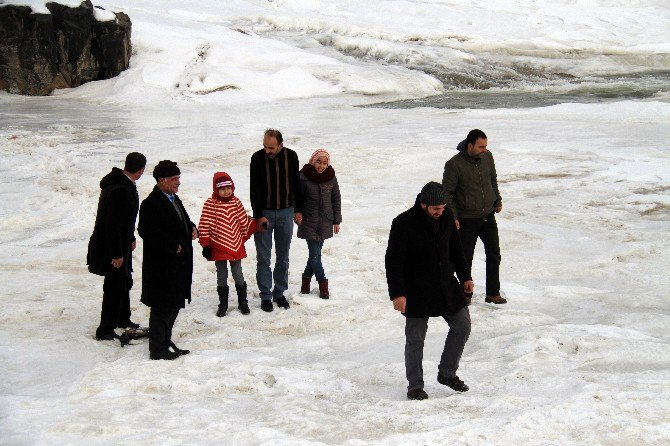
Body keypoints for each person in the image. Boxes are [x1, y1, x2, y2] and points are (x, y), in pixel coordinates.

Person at [385, 182, 474, 400]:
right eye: (436, 208)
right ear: (423, 204)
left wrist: (465, 277)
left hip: (445, 285)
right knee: (415, 339)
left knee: (462, 326)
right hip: (416, 290)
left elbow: (455, 249)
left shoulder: (447, 216)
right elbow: (393, 261)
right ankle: (415, 385)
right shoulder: (403, 222)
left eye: (443, 208)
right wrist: (398, 293)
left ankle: (447, 373)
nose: (440, 212)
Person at [138, 160, 198, 360]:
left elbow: (181, 219)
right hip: (162, 267)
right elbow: (146, 231)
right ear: (161, 181)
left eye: (178, 178)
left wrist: (191, 227)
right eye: (174, 179)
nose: (178, 182)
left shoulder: (173, 198)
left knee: (173, 305)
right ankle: (157, 349)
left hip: (178, 265)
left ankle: (165, 341)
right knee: (162, 307)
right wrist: (172, 244)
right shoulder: (151, 203)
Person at [442, 129, 506, 304]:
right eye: (481, 146)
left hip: (487, 215)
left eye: (486, 146)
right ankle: (465, 294)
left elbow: (493, 179)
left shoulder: (488, 157)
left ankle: (493, 293)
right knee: (465, 258)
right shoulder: (454, 165)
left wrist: (497, 200)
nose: (484, 149)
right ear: (470, 145)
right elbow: (447, 193)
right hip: (466, 219)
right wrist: (453, 216)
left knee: (494, 253)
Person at [87, 152, 146, 341]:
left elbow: (123, 221)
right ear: (141, 170)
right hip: (111, 248)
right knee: (114, 286)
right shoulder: (121, 189)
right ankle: (105, 329)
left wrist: (130, 237)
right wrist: (117, 255)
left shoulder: (120, 183)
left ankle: (123, 318)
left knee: (124, 281)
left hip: (120, 244)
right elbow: (112, 226)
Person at [250, 129, 302, 312]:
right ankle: (265, 295)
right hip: (264, 212)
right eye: (265, 146)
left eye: (271, 147)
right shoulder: (257, 158)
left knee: (283, 257)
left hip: (286, 212)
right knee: (263, 258)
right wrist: (258, 215)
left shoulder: (291, 156)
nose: (267, 150)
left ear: (281, 145)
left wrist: (298, 210)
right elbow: (254, 188)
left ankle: (279, 293)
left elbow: (296, 184)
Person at [198, 172, 259, 316]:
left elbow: (243, 220)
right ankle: (223, 305)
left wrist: (254, 224)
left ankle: (243, 302)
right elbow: (204, 224)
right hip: (217, 246)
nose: (226, 191)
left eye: (229, 188)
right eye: (222, 189)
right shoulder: (210, 204)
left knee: (238, 274)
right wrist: (206, 245)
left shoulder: (236, 202)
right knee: (221, 275)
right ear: (216, 189)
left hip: (236, 243)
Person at [297, 149, 342, 299]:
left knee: (314, 255)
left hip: (325, 221)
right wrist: (296, 214)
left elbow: (336, 200)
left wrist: (337, 220)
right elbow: (296, 198)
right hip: (308, 221)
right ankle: (323, 285)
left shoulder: (331, 177)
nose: (321, 166)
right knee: (315, 255)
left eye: (324, 163)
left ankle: (305, 282)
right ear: (312, 161)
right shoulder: (303, 177)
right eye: (318, 162)